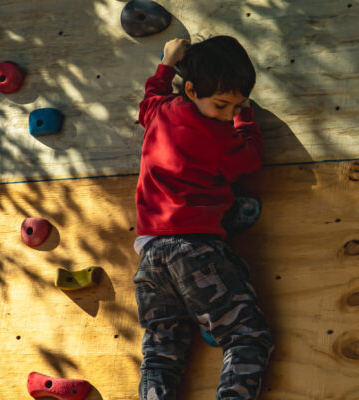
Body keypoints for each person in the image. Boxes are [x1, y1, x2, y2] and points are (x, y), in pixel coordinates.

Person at [133, 35, 274, 400]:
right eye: (222, 105)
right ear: (192, 90)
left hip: (150, 256)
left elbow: (148, 99)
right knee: (247, 336)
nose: (227, 114)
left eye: (236, 106)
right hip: (194, 249)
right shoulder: (218, 136)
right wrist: (245, 121)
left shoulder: (161, 112)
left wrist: (166, 63)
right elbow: (250, 159)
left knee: (160, 357)